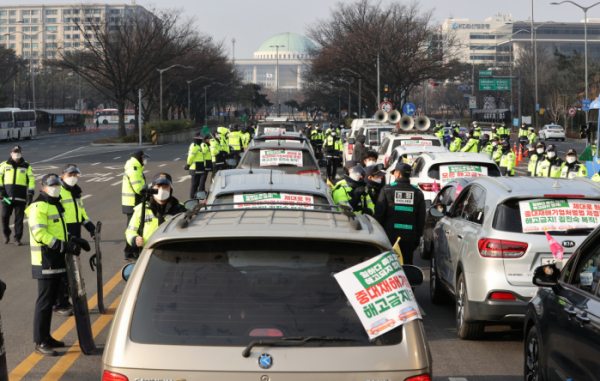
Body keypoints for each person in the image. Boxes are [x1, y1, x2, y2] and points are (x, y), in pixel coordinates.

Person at [25, 174, 90, 356]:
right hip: (46, 261)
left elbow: (60, 232)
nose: (55, 187)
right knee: (44, 303)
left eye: (57, 184)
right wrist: (64, 245)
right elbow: (40, 234)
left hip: (58, 260)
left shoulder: (55, 204)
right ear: (43, 187)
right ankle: (39, 341)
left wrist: (75, 239)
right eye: (51, 185)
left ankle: (46, 337)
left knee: (51, 301)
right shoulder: (38, 207)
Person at [54, 164, 95, 317]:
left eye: (75, 175)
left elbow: (81, 212)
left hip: (74, 232)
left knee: (72, 269)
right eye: (70, 175)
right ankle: (59, 304)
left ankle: (67, 301)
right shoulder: (59, 192)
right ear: (63, 175)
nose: (73, 178)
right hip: (63, 233)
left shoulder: (75, 191)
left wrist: (90, 226)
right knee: (63, 271)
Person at [375, 163, 425, 265]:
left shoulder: (386, 189)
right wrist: (417, 238)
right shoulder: (418, 192)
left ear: (397, 174)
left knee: (389, 266)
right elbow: (421, 218)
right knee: (407, 266)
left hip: (389, 237)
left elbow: (379, 215)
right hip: (409, 237)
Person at [126, 173, 187, 250]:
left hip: (174, 252)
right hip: (149, 252)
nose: (161, 190)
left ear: (171, 189)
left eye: (165, 187)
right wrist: (135, 239)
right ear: (152, 189)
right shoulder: (141, 209)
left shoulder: (180, 209)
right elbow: (130, 231)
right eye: (158, 187)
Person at [0, 145, 35, 245]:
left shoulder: (26, 165)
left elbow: (31, 180)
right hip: (7, 197)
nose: (17, 153)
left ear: (21, 153)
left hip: (20, 197)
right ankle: (6, 233)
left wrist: (30, 193)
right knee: (4, 216)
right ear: (11, 153)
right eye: (15, 152)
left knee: (19, 219)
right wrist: (1, 190)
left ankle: (17, 238)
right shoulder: (4, 165)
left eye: (18, 151)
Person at [121, 150, 148, 260]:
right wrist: (147, 193)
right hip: (133, 203)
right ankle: (130, 252)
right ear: (139, 158)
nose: (145, 160)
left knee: (133, 228)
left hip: (131, 202)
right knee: (133, 229)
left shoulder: (134, 167)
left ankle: (131, 251)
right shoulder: (134, 169)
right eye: (143, 158)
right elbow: (138, 188)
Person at [185, 133, 208, 199]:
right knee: (194, 184)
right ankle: (192, 198)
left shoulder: (198, 145)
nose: (201, 138)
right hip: (195, 167)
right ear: (197, 137)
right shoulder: (194, 146)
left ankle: (196, 197)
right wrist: (188, 164)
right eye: (199, 136)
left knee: (197, 183)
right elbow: (191, 156)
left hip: (198, 167)